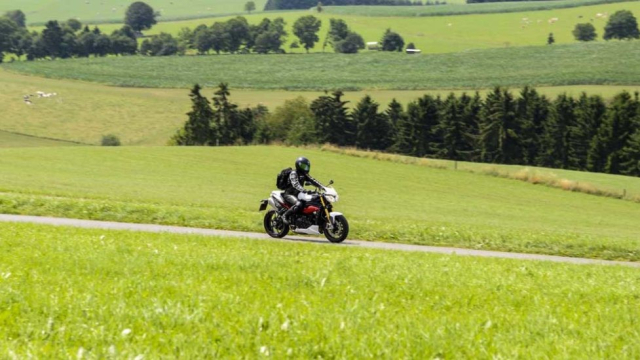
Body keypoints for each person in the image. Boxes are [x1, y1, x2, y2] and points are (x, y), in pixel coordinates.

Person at [282, 156, 324, 225]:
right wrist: (304, 190)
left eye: (307, 167)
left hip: (299, 194)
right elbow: (295, 184)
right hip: (290, 194)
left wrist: (322, 187)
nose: (306, 168)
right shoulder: (293, 173)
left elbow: (313, 180)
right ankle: (285, 216)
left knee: (311, 201)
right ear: (299, 165)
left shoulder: (304, 174)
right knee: (298, 204)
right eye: (304, 166)